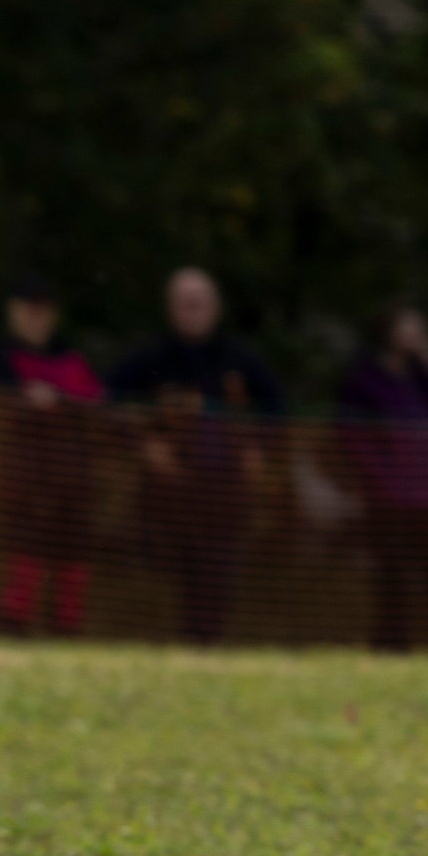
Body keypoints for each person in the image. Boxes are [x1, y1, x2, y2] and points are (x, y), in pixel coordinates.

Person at [106, 267, 285, 643]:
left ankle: (208, 649)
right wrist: (142, 444)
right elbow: (105, 396)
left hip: (225, 494)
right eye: (184, 302)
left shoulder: (238, 358)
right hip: (170, 494)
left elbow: (278, 405)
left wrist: (259, 448)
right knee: (171, 578)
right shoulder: (153, 357)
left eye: (199, 301)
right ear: (171, 308)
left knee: (218, 578)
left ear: (215, 308)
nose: (192, 308)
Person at [336, 304, 428, 651]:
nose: (414, 334)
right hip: (391, 501)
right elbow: (351, 435)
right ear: (387, 331)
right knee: (393, 579)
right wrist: (383, 480)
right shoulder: (364, 379)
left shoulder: (426, 376)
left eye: (419, 328)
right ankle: (392, 648)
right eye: (407, 327)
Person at [0, 274, 105, 634]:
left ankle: (68, 623)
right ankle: (15, 618)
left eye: (42, 309)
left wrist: (56, 401)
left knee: (74, 546)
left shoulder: (70, 357)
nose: (35, 317)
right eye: (28, 309)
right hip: (26, 471)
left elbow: (96, 398)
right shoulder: (3, 357)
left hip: (72, 473)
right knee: (28, 542)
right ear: (13, 312)